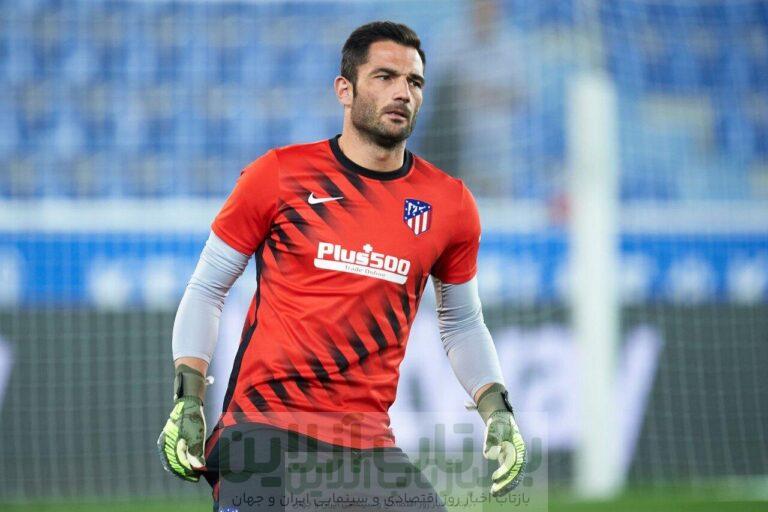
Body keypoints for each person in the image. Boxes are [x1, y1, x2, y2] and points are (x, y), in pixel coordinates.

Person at [157, 21, 526, 511]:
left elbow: (462, 321)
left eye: (414, 82)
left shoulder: (450, 204)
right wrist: (188, 396)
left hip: (366, 443)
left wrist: (496, 408)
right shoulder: (279, 175)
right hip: (264, 429)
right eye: (385, 77)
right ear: (344, 90)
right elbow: (207, 288)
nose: (403, 92)